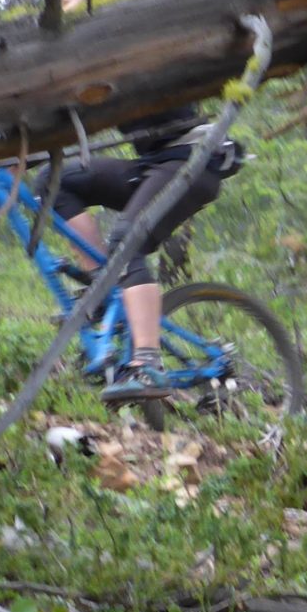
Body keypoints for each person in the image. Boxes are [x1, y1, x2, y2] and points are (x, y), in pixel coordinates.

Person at [53, 101, 231, 402]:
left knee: (127, 241)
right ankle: (102, 286)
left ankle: (148, 364)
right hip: (154, 163)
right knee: (55, 181)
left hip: (193, 158)